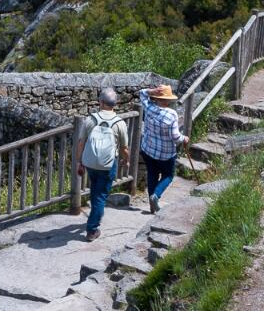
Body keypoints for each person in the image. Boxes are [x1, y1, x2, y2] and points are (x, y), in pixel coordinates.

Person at [75, 87, 131, 241]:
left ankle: (94, 214)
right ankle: (92, 230)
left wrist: (80, 162)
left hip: (90, 163)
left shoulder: (91, 119)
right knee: (100, 196)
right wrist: (127, 160)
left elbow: (81, 143)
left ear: (100, 102)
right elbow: (124, 148)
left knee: (95, 189)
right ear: (116, 103)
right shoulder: (119, 123)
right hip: (108, 164)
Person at [137, 83, 188, 214]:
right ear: (168, 100)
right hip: (166, 154)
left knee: (152, 174)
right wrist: (185, 139)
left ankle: (151, 205)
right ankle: (156, 196)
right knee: (168, 175)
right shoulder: (171, 114)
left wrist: (152, 90)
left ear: (156, 97)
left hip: (148, 150)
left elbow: (142, 93)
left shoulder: (149, 107)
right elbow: (176, 137)